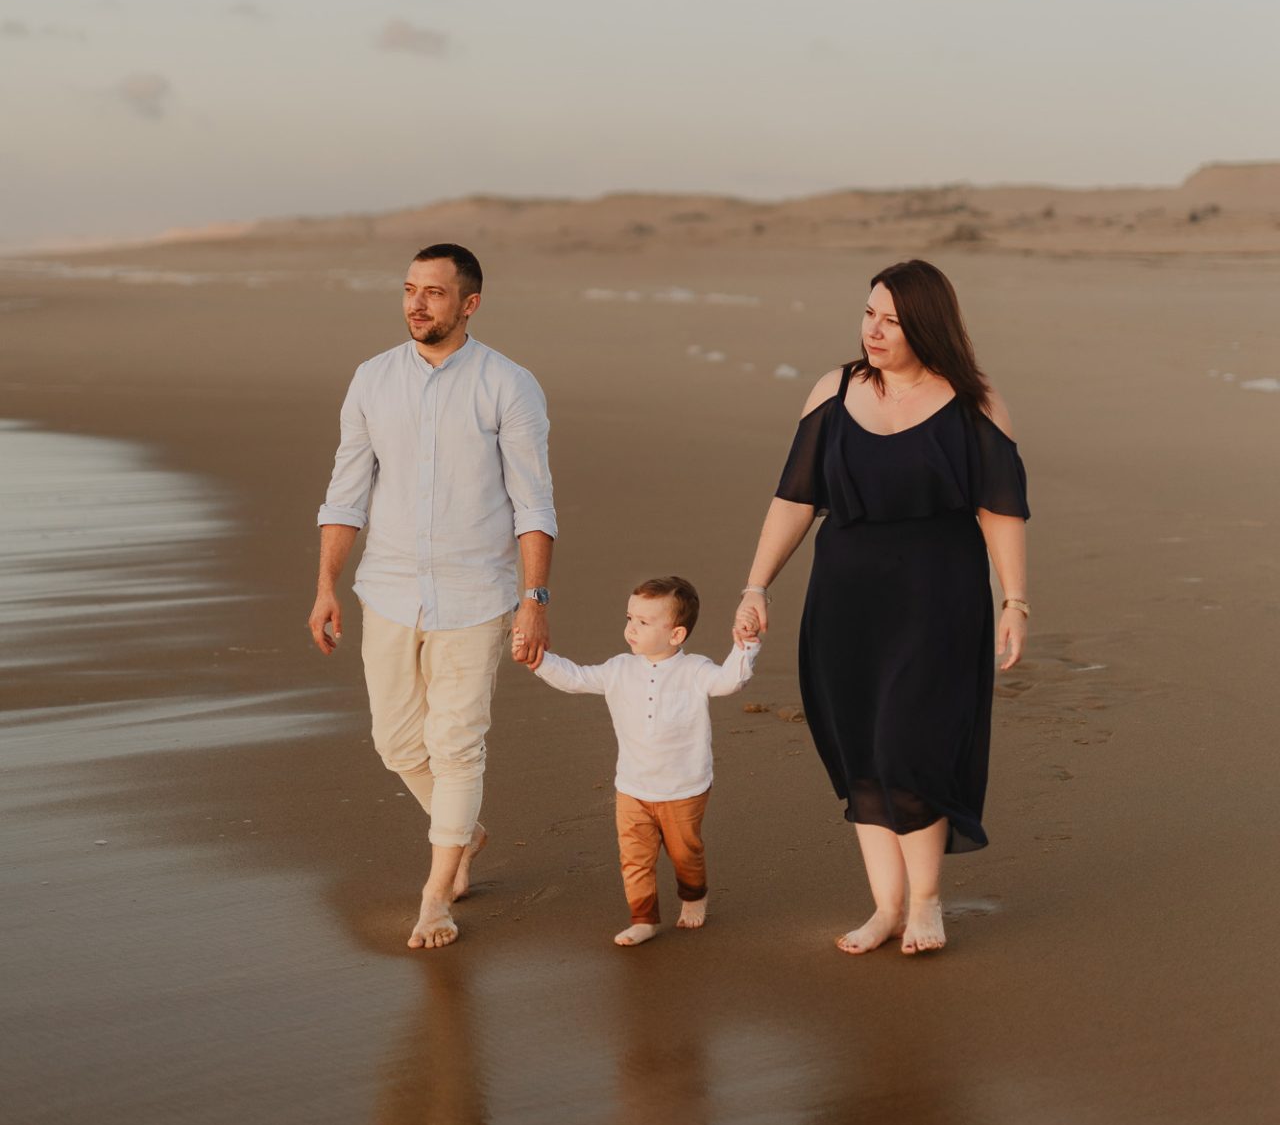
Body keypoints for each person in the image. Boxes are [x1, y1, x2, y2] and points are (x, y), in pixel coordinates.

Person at [733, 259, 1029, 958]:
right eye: (869, 313)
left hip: (938, 600)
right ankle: (886, 907)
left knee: (911, 748)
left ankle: (926, 903)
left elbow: (1001, 511)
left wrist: (1015, 600)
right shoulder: (832, 393)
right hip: (845, 601)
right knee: (860, 751)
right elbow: (795, 499)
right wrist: (756, 585)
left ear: (927, 324)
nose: (874, 330)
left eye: (891, 320)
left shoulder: (972, 405)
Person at [308, 243, 557, 952]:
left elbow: (533, 505)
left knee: (456, 744)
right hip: (386, 588)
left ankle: (436, 893)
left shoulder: (508, 385)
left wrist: (533, 599)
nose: (418, 304)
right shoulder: (372, 379)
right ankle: (465, 830)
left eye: (436, 293)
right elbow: (346, 491)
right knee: (395, 742)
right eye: (410, 290)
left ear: (469, 304)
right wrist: (326, 585)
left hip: (477, 594)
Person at [513, 577, 761, 946]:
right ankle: (643, 917)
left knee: (686, 853)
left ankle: (693, 896)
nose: (631, 628)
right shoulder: (619, 669)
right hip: (632, 787)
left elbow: (729, 682)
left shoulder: (695, 670)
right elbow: (576, 678)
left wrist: (745, 648)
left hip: (685, 788)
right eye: (630, 618)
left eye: (644, 623)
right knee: (635, 858)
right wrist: (539, 659)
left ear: (676, 635)